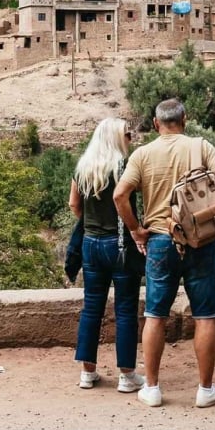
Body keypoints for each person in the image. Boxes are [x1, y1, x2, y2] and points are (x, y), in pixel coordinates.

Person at [113, 98, 215, 408]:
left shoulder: (143, 154)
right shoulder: (201, 147)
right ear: (185, 119)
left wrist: (135, 229)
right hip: (200, 240)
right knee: (205, 315)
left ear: (156, 124)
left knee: (155, 315)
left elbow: (120, 195)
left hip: (159, 240)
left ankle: (153, 388)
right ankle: (205, 390)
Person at [68, 117, 144, 393]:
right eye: (126, 134)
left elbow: (74, 205)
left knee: (92, 308)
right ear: (115, 138)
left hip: (90, 243)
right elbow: (122, 200)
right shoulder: (124, 166)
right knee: (125, 310)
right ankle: (126, 375)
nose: (130, 138)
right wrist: (135, 228)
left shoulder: (83, 167)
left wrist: (91, 222)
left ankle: (87, 372)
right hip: (119, 243)